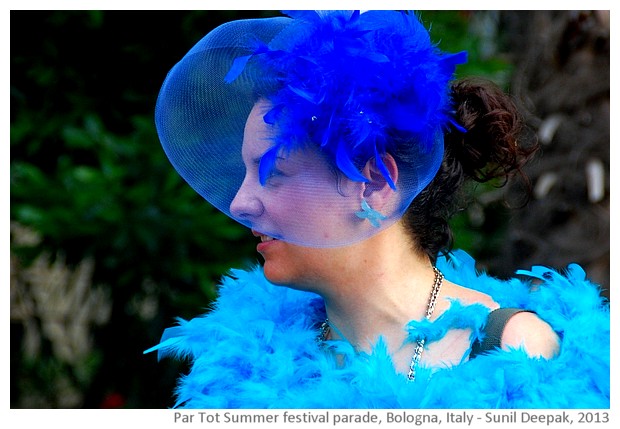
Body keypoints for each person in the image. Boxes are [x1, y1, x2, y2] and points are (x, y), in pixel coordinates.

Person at [145, 10, 609, 408]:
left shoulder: (513, 351)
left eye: (273, 173)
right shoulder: (246, 353)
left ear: (374, 184)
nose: (239, 202)